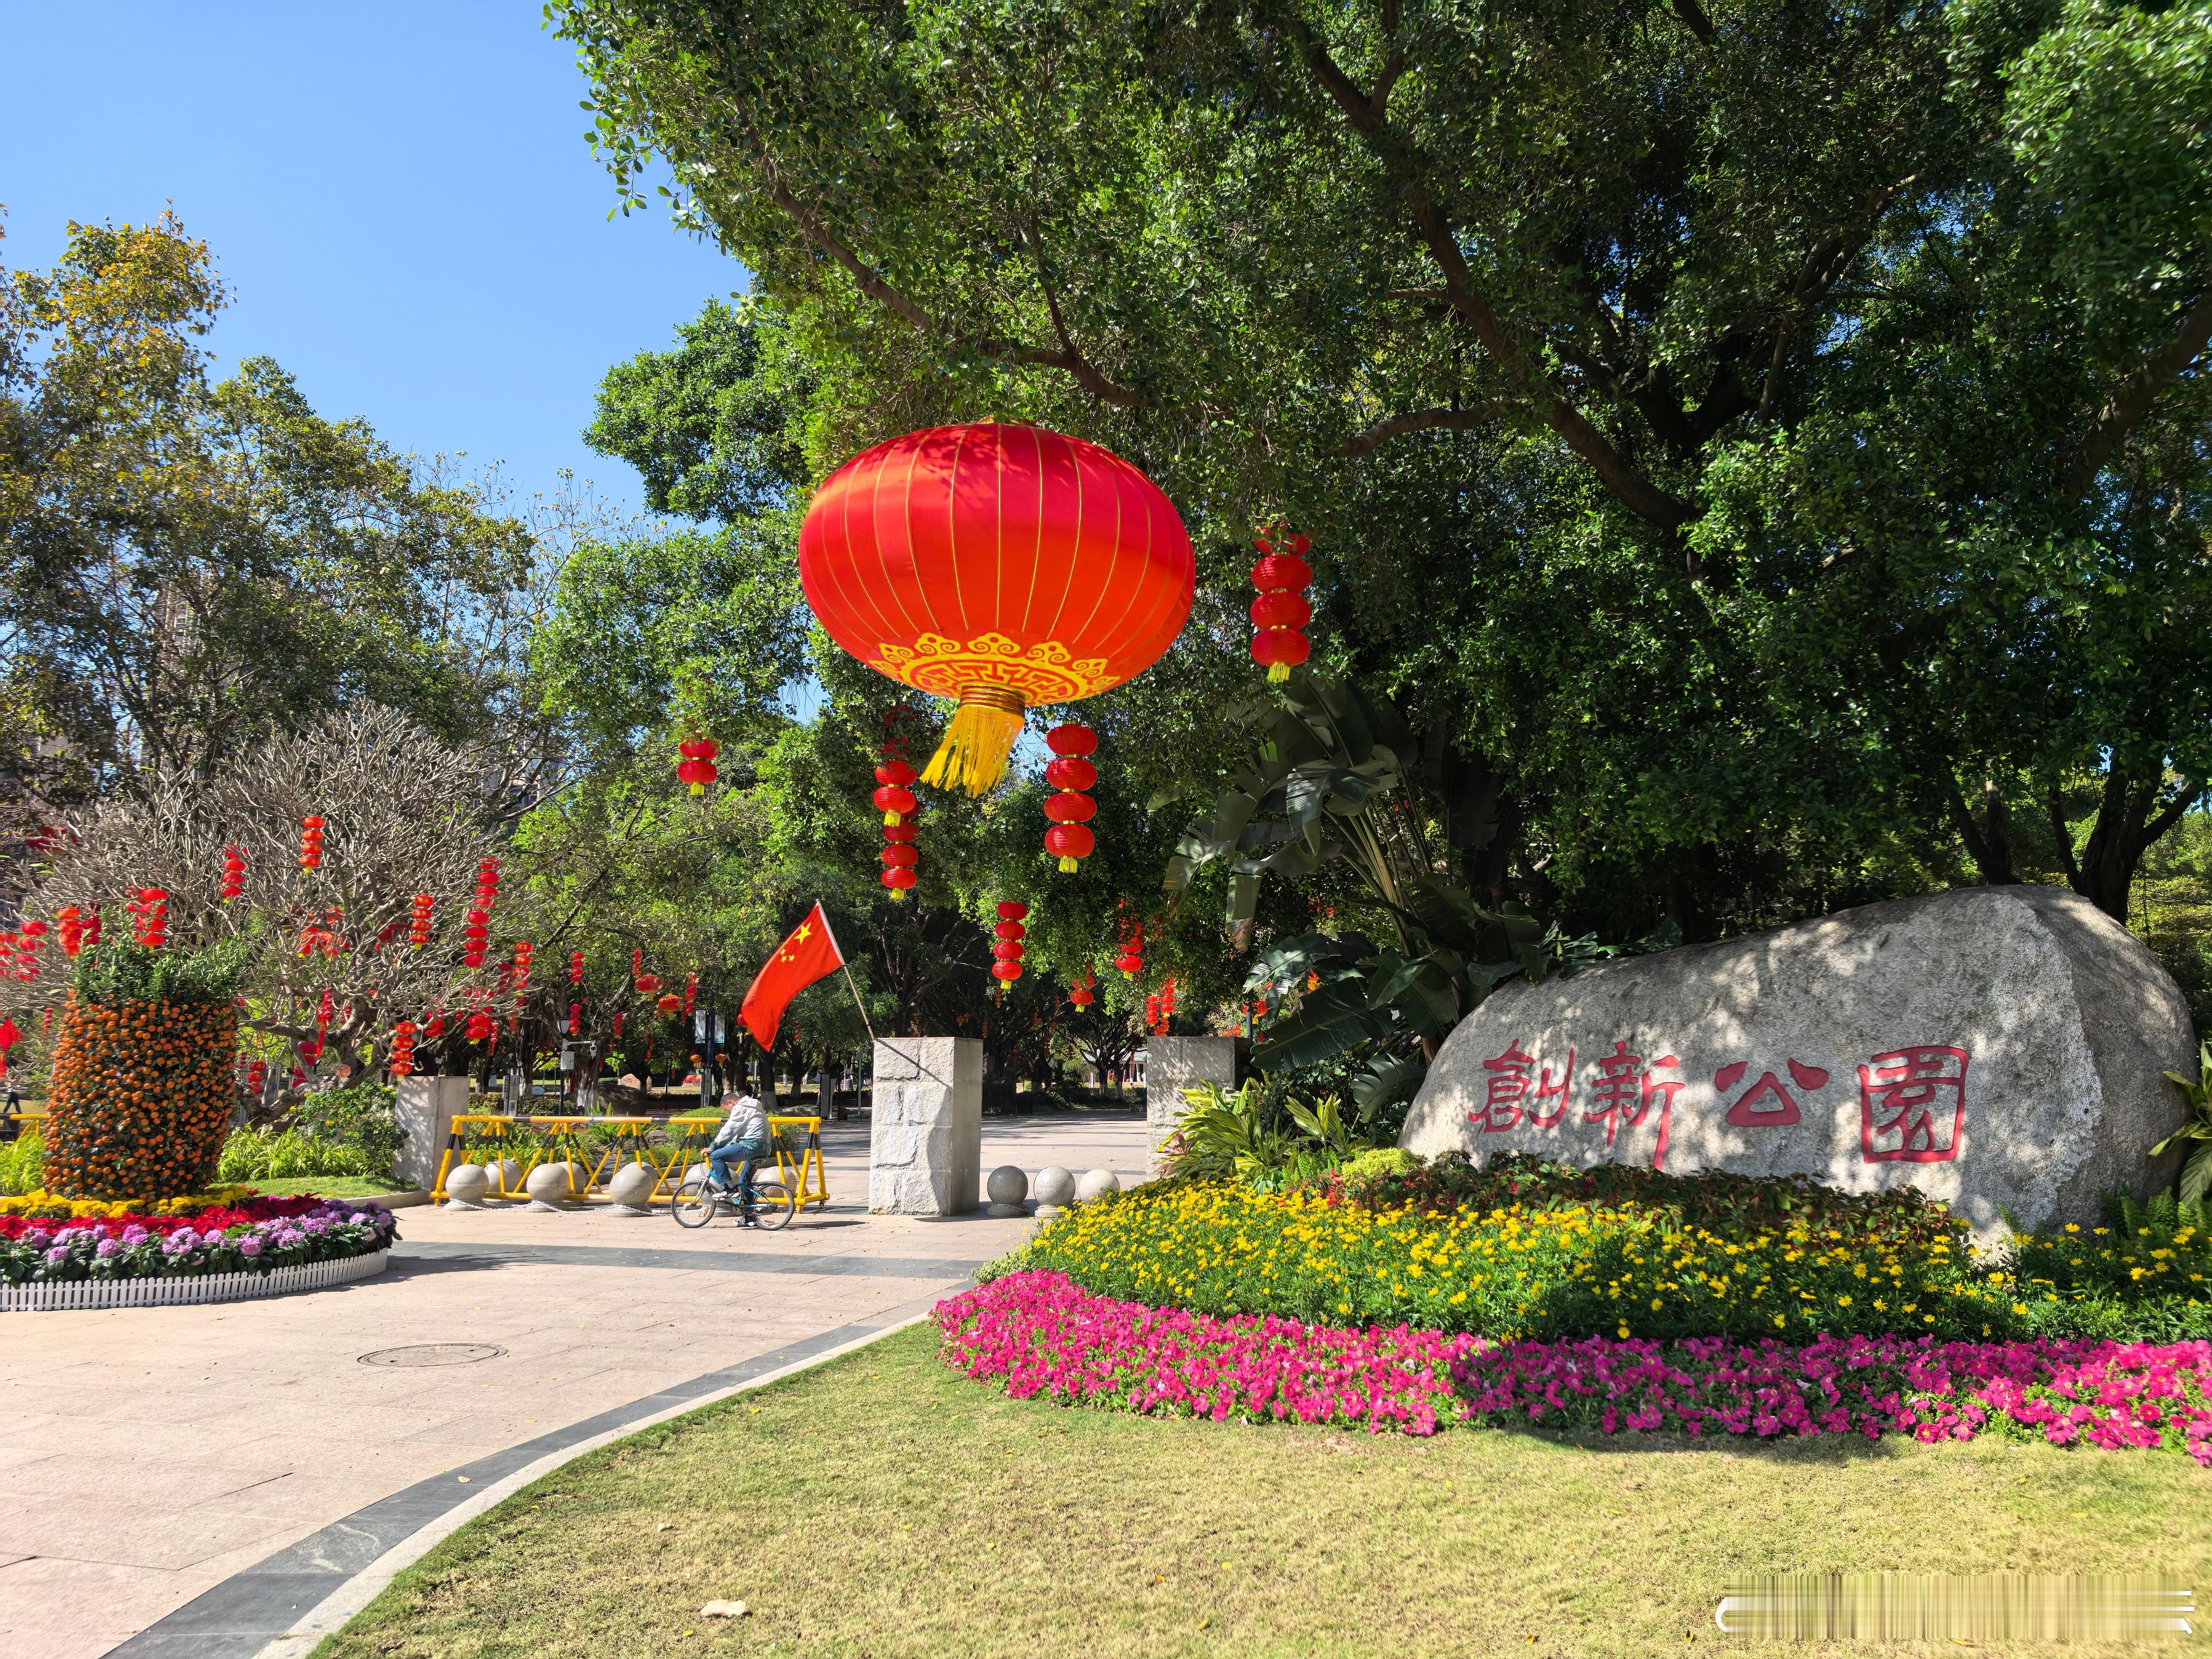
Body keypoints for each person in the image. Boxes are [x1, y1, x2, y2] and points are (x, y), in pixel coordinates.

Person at [707, 1091, 770, 1223]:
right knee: (745, 1180)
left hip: (750, 1146)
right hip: (763, 1149)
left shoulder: (741, 1107)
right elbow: (736, 1136)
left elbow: (729, 1129)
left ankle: (729, 1189)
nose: (729, 1114)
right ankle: (749, 1218)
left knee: (716, 1157)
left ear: (732, 1103)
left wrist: (713, 1147)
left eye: (728, 1111)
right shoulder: (754, 1107)